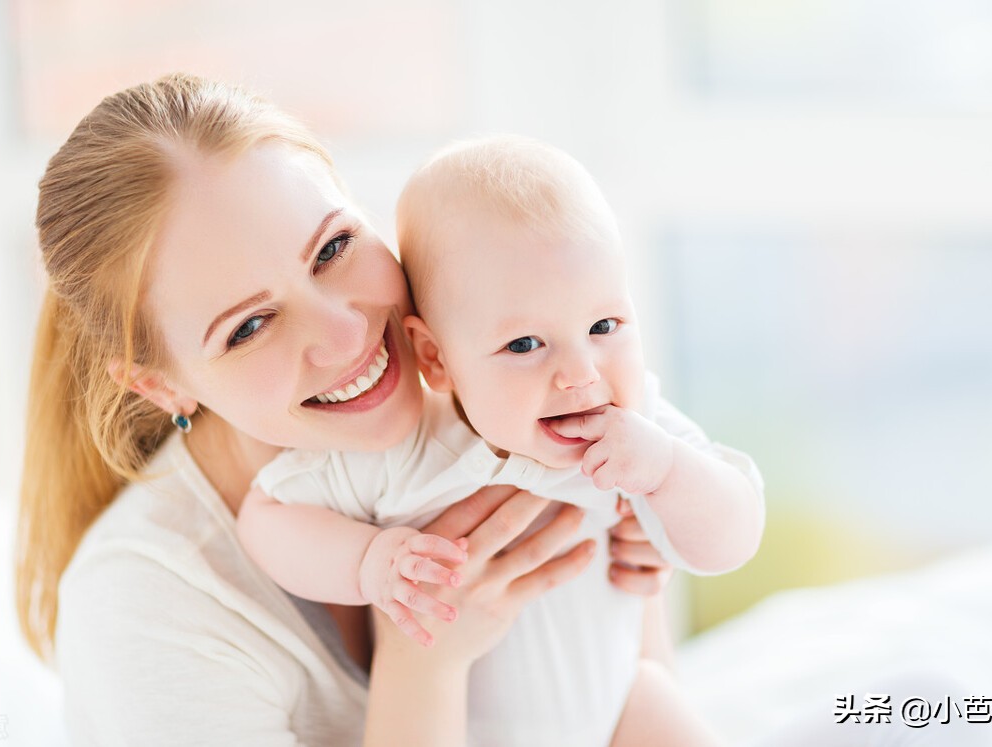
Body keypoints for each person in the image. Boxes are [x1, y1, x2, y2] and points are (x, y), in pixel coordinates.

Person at [15, 73, 675, 746]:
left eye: (332, 248)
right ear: (161, 386)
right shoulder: (145, 611)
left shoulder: (495, 375)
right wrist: (424, 660)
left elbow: (635, 701)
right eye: (249, 326)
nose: (345, 335)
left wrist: (631, 561)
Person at [235, 136, 766, 745]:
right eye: (524, 346)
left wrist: (670, 472)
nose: (581, 374)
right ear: (436, 358)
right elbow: (267, 514)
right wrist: (366, 563)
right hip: (472, 730)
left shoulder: (639, 431)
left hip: (622, 714)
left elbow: (734, 536)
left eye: (603, 326)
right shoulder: (406, 451)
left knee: (664, 708)